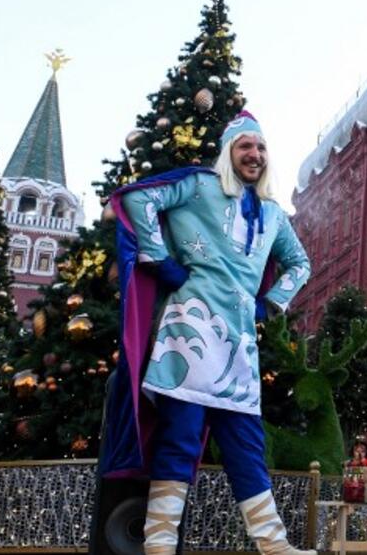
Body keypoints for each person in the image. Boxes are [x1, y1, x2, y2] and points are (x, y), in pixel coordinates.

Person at [104, 111, 313, 555]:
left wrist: (272, 301)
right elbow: (139, 201)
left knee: (246, 446)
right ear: (228, 152)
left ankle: (274, 545)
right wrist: (161, 260)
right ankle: (158, 545)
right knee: (179, 439)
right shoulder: (200, 187)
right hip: (191, 333)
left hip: (239, 344)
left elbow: (301, 263)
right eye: (244, 147)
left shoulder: (273, 214)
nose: (254, 155)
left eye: (260, 148)